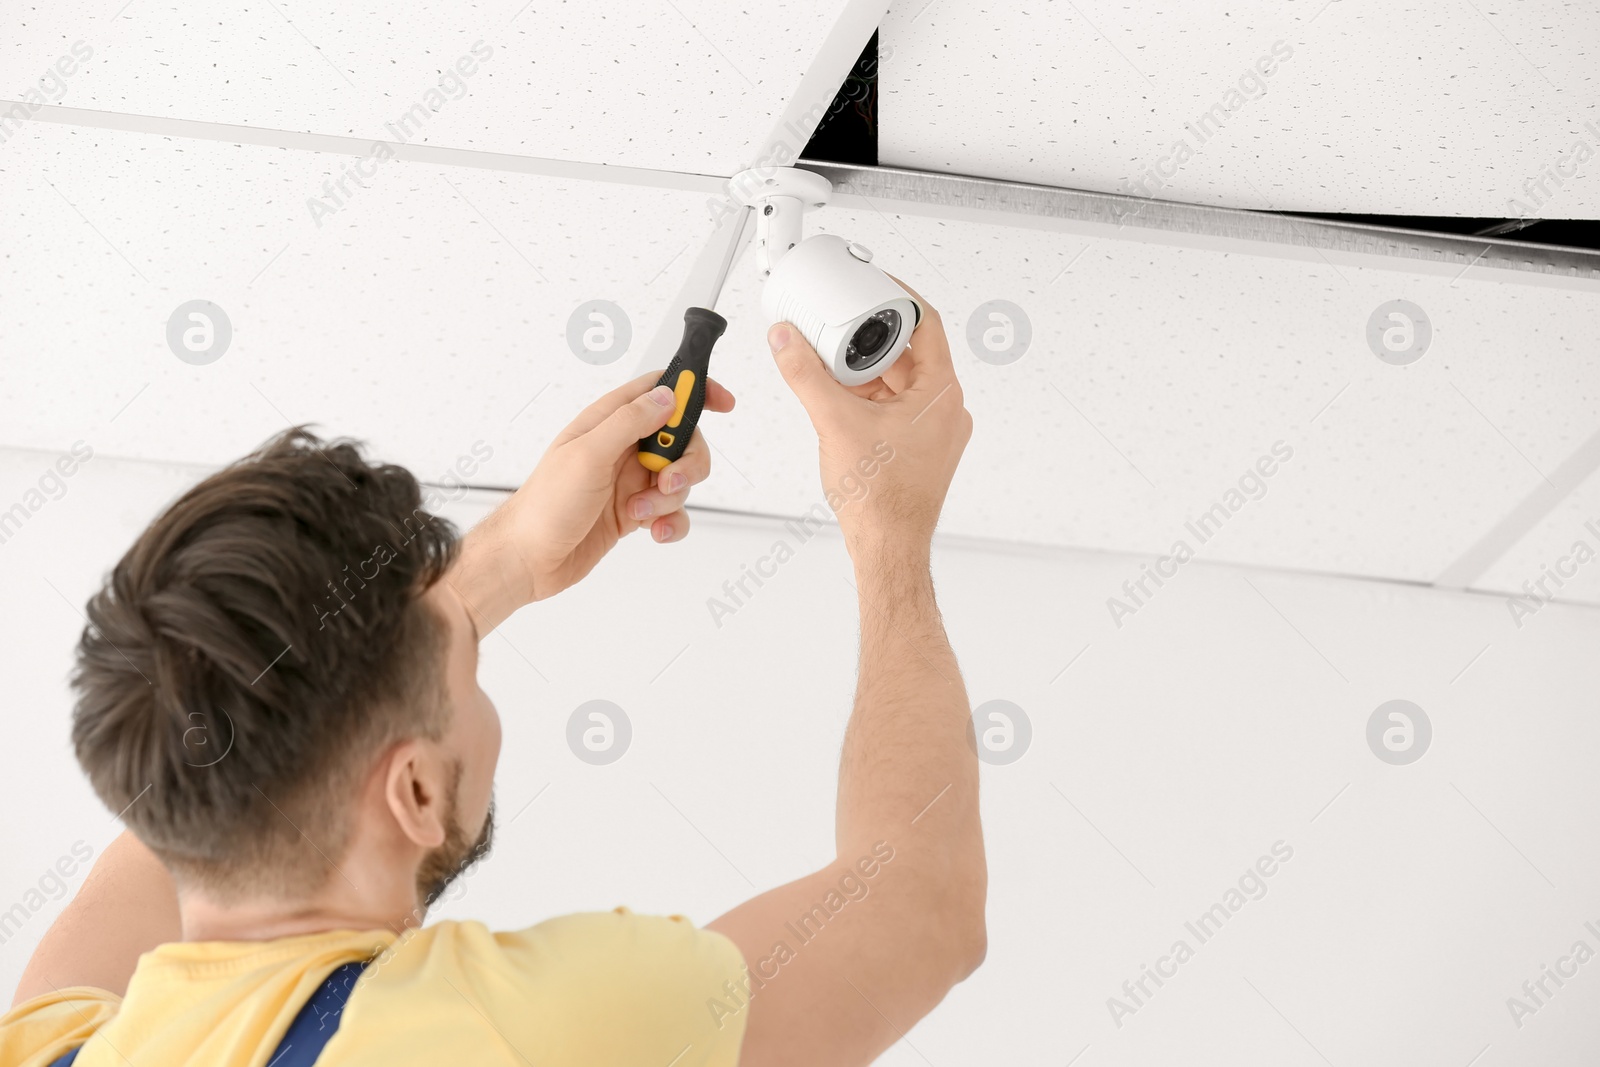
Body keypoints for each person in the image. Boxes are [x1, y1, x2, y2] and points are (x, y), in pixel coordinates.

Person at [1, 285, 986, 1067]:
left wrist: (501, 566)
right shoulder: (520, 1031)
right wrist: (890, 530)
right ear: (416, 789)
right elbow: (921, 905)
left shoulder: (56, 1048)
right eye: (469, 679)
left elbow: (205, 747)